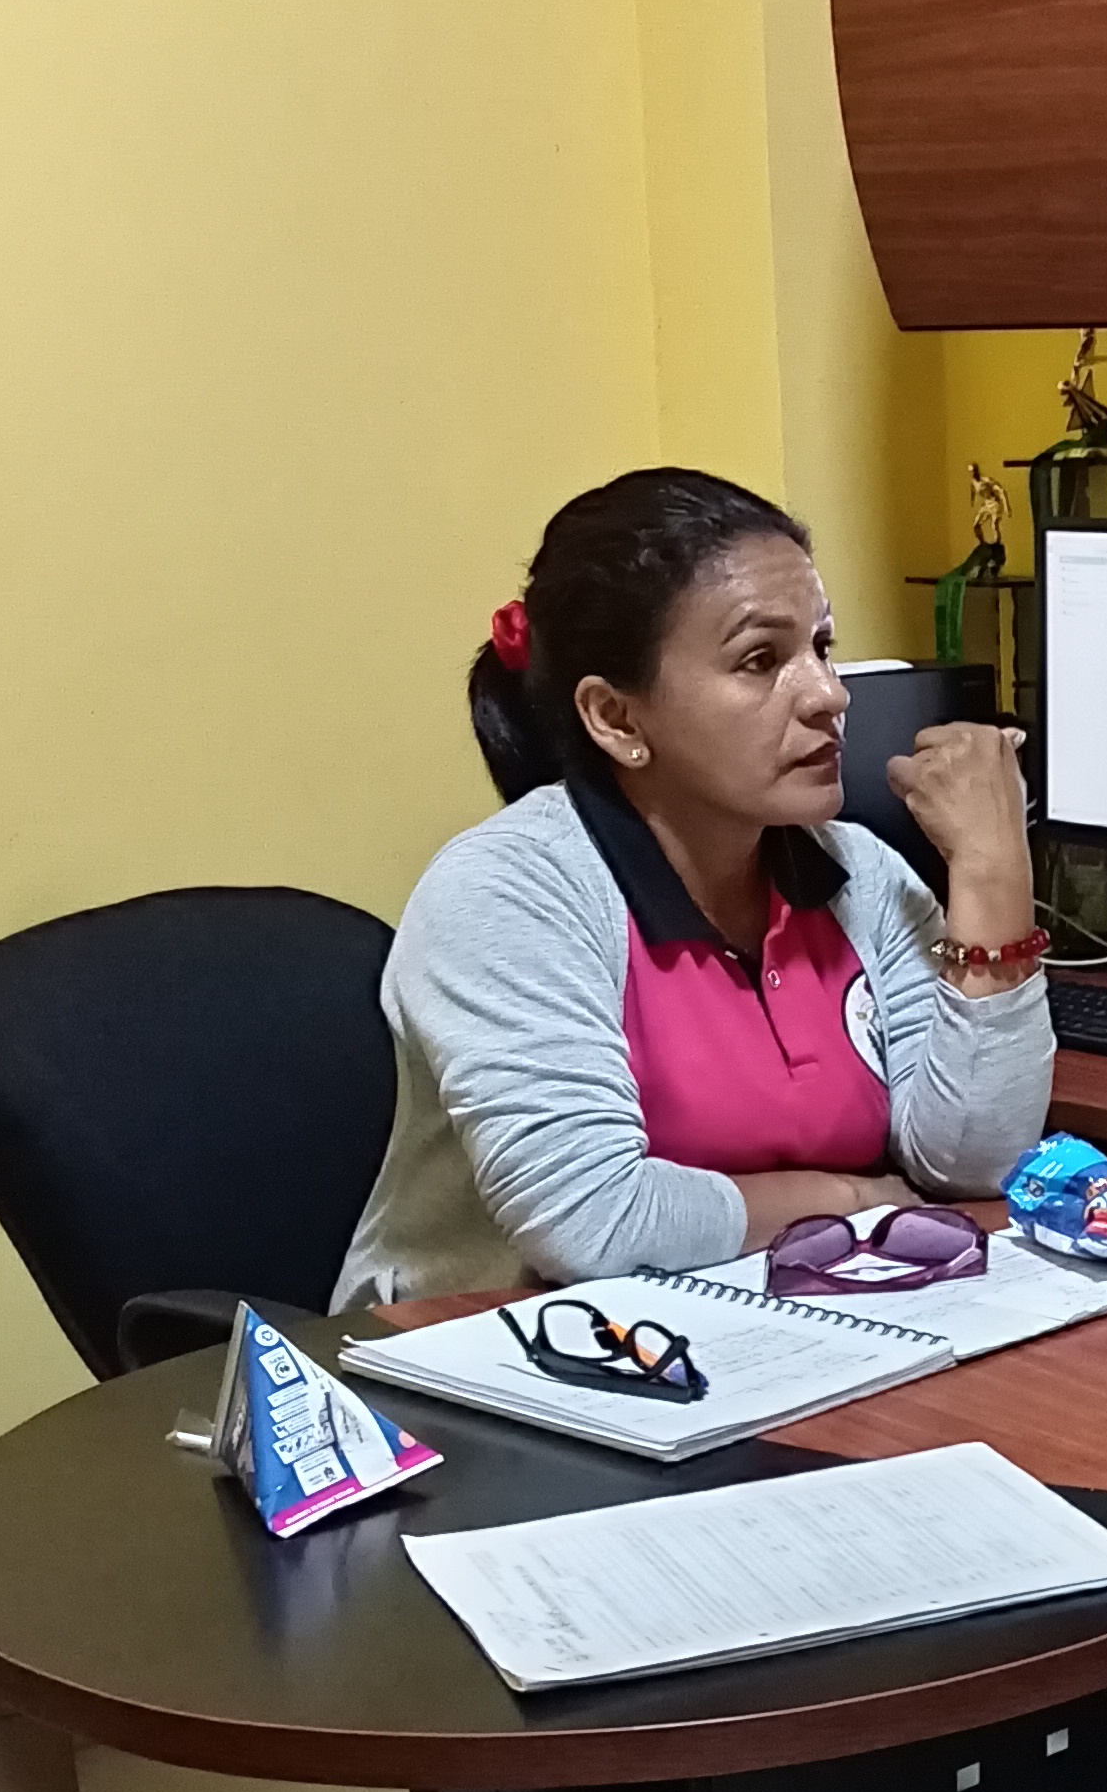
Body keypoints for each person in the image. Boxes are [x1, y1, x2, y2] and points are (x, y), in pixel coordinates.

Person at [341, 468, 1052, 1305]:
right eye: (760, 660)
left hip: (766, 1320)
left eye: (821, 647)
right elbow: (593, 1223)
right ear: (617, 718)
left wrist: (991, 869)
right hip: (492, 1342)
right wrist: (855, 1200)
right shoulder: (507, 892)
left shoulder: (858, 874)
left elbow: (972, 1160)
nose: (829, 694)